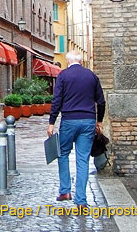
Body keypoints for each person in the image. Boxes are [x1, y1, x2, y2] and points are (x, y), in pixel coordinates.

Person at [46, 50, 105, 209]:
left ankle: (65, 191)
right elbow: (101, 101)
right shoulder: (91, 76)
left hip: (69, 121)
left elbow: (57, 100)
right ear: (81, 62)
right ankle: (81, 200)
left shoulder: (63, 76)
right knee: (83, 159)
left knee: (63, 154)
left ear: (67, 62)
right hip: (88, 121)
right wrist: (99, 121)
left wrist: (51, 122)